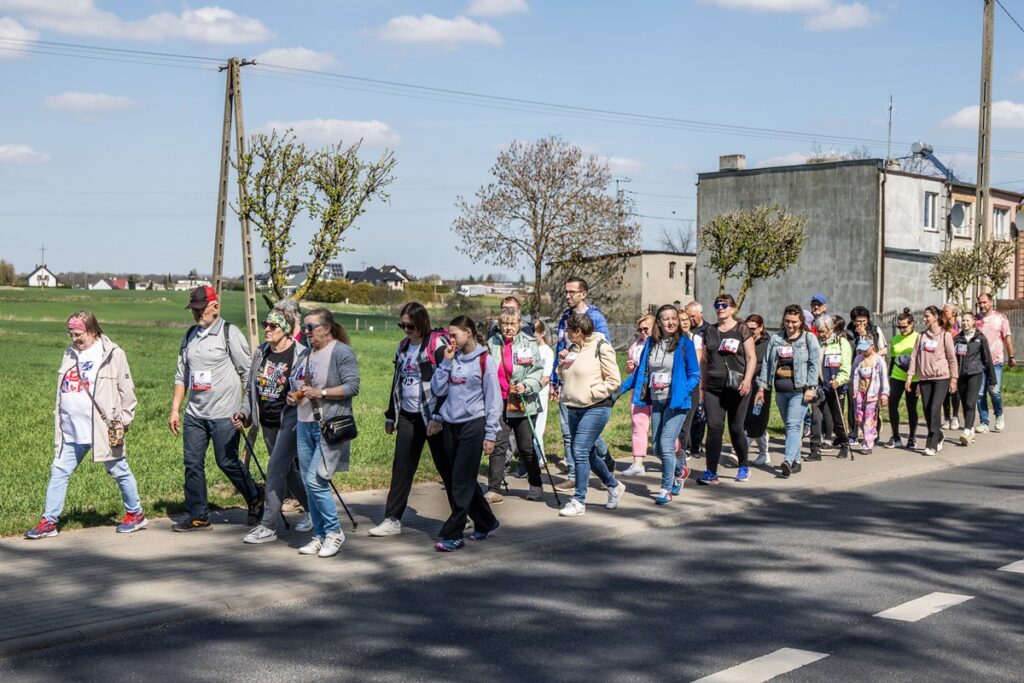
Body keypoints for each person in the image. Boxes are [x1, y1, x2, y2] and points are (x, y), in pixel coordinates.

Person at [25, 312, 146, 539]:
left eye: (78, 334)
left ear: (92, 330)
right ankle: (49, 521)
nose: (74, 338)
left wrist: (124, 421)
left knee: (118, 470)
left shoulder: (113, 354)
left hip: (103, 428)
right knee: (59, 470)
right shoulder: (69, 353)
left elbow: (127, 392)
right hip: (71, 428)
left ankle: (135, 514)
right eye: (71, 334)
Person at [169, 286, 262, 532]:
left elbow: (247, 374)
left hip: (225, 413)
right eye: (194, 310)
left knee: (227, 461)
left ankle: (255, 497)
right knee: (192, 463)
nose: (198, 314)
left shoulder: (230, 334)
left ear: (215, 307)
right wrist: (175, 409)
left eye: (201, 309)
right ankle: (199, 515)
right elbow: (182, 376)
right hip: (195, 415)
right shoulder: (189, 336)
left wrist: (247, 410)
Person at [369, 302, 449, 537]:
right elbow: (397, 382)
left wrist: (438, 416)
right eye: (402, 325)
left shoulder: (436, 345)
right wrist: (391, 415)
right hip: (408, 415)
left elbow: (446, 383)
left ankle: (462, 514)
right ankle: (392, 519)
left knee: (447, 467)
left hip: (433, 416)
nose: (406, 329)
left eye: (410, 325)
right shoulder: (403, 347)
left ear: (422, 322)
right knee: (402, 468)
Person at [236, 309, 313, 544]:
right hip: (267, 422)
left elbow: (309, 385)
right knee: (287, 471)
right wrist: (244, 412)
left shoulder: (301, 354)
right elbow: (251, 387)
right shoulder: (262, 352)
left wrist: (298, 396)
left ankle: (268, 525)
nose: (267, 329)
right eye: (265, 324)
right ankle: (314, 510)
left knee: (275, 469)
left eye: (273, 325)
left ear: (286, 329)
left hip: (290, 421)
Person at [289, 308, 360, 558]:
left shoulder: (341, 352)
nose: (306, 332)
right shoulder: (307, 354)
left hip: (328, 426)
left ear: (327, 328)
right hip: (304, 423)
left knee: (315, 480)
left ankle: (334, 532)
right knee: (310, 487)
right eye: (305, 328)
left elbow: (352, 386)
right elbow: (296, 383)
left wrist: (322, 393)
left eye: (311, 327)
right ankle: (319, 535)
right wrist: (293, 395)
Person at [429, 315, 501, 551]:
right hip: (451, 424)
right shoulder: (452, 358)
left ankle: (454, 534)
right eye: (449, 335)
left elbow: (493, 400)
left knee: (461, 480)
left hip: (474, 424)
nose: (450, 339)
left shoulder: (485, 361)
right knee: (456, 479)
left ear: (468, 332)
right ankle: (486, 522)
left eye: (454, 334)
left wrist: (491, 434)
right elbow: (438, 389)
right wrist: (446, 364)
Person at [620, 305, 700, 504]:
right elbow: (640, 373)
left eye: (674, 318)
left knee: (665, 444)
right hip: (656, 401)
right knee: (656, 448)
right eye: (666, 319)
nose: (671, 322)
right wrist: (616, 392)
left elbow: (695, 375)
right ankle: (681, 470)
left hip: (677, 403)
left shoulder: (684, 344)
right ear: (659, 322)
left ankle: (666, 489)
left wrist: (682, 392)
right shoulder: (651, 344)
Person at [555, 313, 625, 516]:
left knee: (578, 450)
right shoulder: (574, 349)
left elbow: (614, 380)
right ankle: (614, 486)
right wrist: (561, 366)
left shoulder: (600, 347)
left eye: (568, 329)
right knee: (588, 453)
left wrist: (592, 393)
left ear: (578, 331)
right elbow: (567, 377)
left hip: (596, 407)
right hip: (574, 407)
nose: (566, 333)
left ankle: (578, 500)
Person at [550, 277, 613, 489]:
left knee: (588, 435)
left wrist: (598, 386)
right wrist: (554, 379)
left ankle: (605, 463)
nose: (567, 296)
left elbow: (604, 349)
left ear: (583, 294)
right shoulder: (565, 317)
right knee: (568, 432)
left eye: (572, 292)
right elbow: (560, 348)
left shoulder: (595, 317)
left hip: (588, 383)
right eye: (566, 292)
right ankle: (574, 474)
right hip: (567, 379)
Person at [485, 307, 546, 503]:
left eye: (512, 324)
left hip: (523, 403)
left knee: (526, 447)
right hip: (498, 402)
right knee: (498, 446)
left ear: (519, 324)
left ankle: (535, 483)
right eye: (504, 324)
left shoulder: (528, 343)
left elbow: (537, 371)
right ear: (499, 325)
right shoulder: (491, 343)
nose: (508, 328)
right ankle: (494, 489)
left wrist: (526, 386)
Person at [755, 304, 820, 477]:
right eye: (787, 321)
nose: (790, 325)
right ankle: (797, 461)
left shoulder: (808, 339)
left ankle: (788, 460)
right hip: (780, 391)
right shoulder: (776, 339)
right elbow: (768, 363)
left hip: (800, 390)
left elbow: (814, 364)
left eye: (794, 322)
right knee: (792, 426)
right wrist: (762, 387)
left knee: (792, 425)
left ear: (801, 322)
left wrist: (811, 387)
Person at [699, 294, 757, 484]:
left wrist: (748, 380)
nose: (720, 308)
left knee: (735, 428)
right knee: (714, 427)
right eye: (717, 305)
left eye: (724, 305)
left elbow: (751, 358)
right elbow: (705, 360)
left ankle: (743, 466)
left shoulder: (742, 329)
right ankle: (711, 472)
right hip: (713, 387)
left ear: (732, 309)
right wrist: (702, 383)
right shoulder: (709, 331)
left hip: (737, 386)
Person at [907, 305, 958, 456]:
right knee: (927, 409)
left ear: (936, 317)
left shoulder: (945, 335)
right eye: (924, 316)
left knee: (935, 408)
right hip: (924, 378)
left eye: (927, 316)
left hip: (941, 378)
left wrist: (954, 379)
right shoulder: (921, 336)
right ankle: (939, 434)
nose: (924, 319)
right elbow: (914, 357)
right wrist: (910, 377)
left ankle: (932, 442)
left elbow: (952, 359)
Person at [809, 313, 852, 461]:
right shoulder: (816, 343)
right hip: (819, 385)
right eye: (818, 331)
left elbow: (846, 366)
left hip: (835, 385)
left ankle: (844, 443)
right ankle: (815, 449)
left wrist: (839, 380)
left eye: (823, 331)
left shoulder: (842, 343)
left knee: (837, 418)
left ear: (831, 328)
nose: (821, 334)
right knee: (815, 417)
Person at [954, 312, 997, 446]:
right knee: (964, 403)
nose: (965, 323)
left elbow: (987, 359)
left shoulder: (980, 338)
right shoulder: (957, 338)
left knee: (970, 402)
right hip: (961, 375)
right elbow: (952, 358)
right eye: (963, 321)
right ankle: (971, 427)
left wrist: (992, 379)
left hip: (975, 373)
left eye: (967, 320)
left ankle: (966, 431)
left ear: (973, 322)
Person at [975, 292, 1015, 433]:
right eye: (980, 303)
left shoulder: (1001, 318)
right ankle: (984, 422)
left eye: (984, 302)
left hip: (996, 361)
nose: (982, 305)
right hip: (979, 362)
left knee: (994, 391)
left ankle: (999, 415)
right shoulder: (976, 320)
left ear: (991, 302)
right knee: (979, 393)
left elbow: (1007, 339)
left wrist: (1011, 356)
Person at [622, 314, 655, 477]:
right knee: (638, 424)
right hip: (639, 389)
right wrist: (629, 368)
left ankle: (677, 460)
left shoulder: (661, 344)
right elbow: (631, 370)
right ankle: (637, 463)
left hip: (658, 388)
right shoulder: (636, 345)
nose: (642, 332)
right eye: (640, 329)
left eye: (646, 329)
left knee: (662, 427)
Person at [884, 309, 920, 450]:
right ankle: (896, 436)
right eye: (899, 327)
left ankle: (912, 437)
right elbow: (893, 359)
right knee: (892, 405)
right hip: (897, 376)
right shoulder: (895, 339)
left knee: (911, 407)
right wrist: (888, 377)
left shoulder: (918, 338)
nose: (902, 329)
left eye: (904, 326)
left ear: (912, 324)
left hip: (914, 378)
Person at [849, 338, 889, 455]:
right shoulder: (858, 359)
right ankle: (872, 434)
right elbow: (853, 375)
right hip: (860, 393)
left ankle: (867, 444)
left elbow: (884, 379)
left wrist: (884, 394)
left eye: (865, 349)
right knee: (859, 418)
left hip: (873, 394)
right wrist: (852, 389)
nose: (863, 352)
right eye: (861, 350)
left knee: (869, 419)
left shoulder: (879, 360)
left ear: (872, 346)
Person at [743, 314, 771, 465]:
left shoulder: (768, 344)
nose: (750, 331)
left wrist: (763, 386)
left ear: (761, 328)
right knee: (748, 419)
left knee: (756, 417)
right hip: (745, 384)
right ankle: (764, 453)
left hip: (761, 386)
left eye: (753, 329)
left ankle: (740, 452)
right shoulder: (744, 341)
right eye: (747, 328)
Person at [685, 301, 709, 457]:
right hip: (686, 377)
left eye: (692, 316)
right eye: (688, 316)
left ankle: (696, 444)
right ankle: (686, 445)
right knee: (688, 413)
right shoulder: (684, 331)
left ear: (701, 314)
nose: (690, 320)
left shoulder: (708, 330)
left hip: (703, 375)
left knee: (700, 414)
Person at [940, 303, 961, 430]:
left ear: (953, 313)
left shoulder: (958, 326)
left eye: (946, 310)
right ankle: (946, 417)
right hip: (943, 363)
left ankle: (955, 416)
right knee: (944, 392)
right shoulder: (942, 326)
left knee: (955, 391)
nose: (944, 312)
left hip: (956, 362)